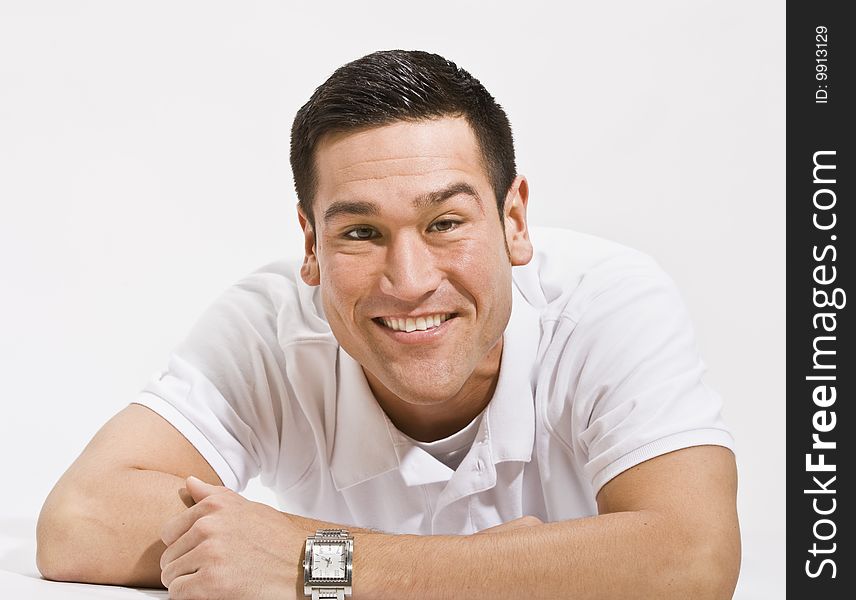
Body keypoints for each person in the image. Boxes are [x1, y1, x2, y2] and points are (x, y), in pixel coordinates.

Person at [36, 49, 740, 599]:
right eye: (362, 233)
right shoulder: (269, 328)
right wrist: (515, 573)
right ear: (310, 246)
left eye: (445, 223)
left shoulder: (608, 303)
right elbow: (80, 521)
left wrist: (315, 566)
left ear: (515, 222)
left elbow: (693, 558)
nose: (409, 282)